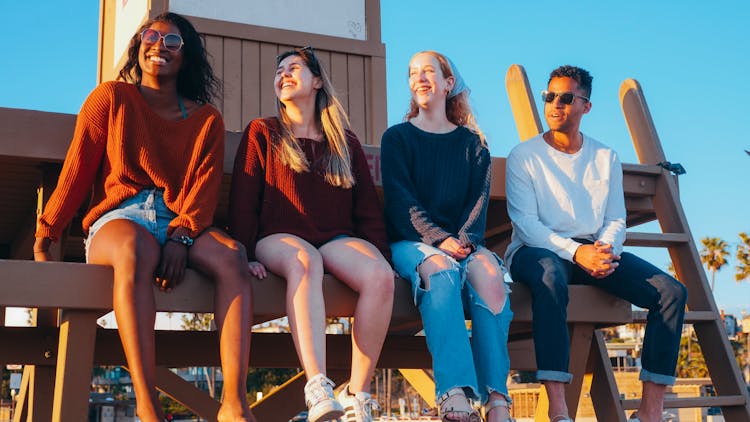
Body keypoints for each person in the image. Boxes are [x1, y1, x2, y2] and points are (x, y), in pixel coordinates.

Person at [33, 13, 256, 422]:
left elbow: (203, 194)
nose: (159, 46)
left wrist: (181, 237)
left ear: (186, 57)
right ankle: (148, 406)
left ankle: (234, 404)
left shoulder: (206, 119)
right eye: (151, 37)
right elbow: (77, 169)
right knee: (136, 250)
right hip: (119, 220)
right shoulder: (112, 97)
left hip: (179, 221)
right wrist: (47, 232)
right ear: (138, 45)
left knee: (233, 260)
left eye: (173, 42)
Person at [505, 65, 687, 422]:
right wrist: (577, 252)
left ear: (585, 106)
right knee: (550, 276)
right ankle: (558, 409)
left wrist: (603, 250)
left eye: (566, 97)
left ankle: (649, 412)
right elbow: (526, 225)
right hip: (535, 251)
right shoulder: (523, 156)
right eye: (549, 96)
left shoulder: (605, 157)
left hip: (594, 251)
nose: (555, 104)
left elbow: (616, 219)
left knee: (671, 292)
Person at [228, 46, 394, 422]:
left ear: (317, 81)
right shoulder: (263, 132)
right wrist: (245, 253)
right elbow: (243, 200)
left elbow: (366, 208)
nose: (284, 74)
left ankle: (357, 395)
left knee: (380, 276)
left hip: (335, 238)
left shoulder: (343, 141)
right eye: (279, 71)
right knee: (307, 259)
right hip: (278, 238)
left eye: (294, 68)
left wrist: (380, 253)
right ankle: (317, 385)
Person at [381, 51, 514, 422]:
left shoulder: (474, 145)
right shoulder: (397, 139)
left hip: (464, 243)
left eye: (428, 71)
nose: (419, 78)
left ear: (448, 83)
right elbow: (401, 204)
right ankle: (454, 394)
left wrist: (464, 241)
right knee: (440, 272)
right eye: (412, 73)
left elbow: (477, 206)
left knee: (490, 277)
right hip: (411, 243)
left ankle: (497, 399)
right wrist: (440, 240)